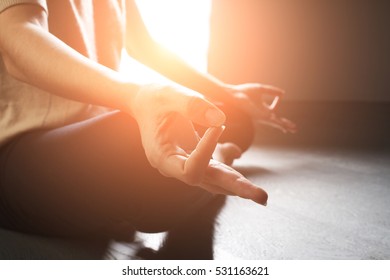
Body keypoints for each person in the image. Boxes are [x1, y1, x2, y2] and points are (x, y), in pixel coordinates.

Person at [0, 0, 296, 255]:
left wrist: (229, 93)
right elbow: (18, 37)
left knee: (230, 116)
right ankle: (217, 156)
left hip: (86, 131)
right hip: (15, 151)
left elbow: (145, 46)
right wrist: (137, 96)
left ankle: (189, 166)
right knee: (134, 145)